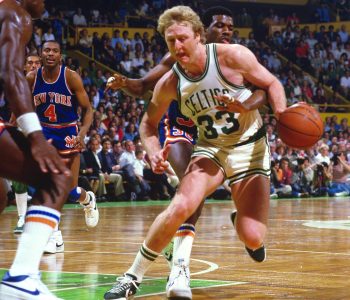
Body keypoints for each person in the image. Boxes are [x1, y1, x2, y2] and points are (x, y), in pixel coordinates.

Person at [104, 5, 286, 300]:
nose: (177, 46)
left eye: (182, 38)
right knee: (181, 205)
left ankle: (241, 218)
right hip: (210, 149)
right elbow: (148, 125)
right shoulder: (171, 81)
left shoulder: (233, 56)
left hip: (249, 147)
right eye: (170, 41)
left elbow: (271, 83)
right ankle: (131, 277)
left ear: (199, 36)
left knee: (253, 236)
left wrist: (282, 112)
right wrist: (152, 152)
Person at [0, 0, 71, 299]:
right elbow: (10, 73)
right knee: (57, 177)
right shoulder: (14, 12)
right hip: (46, 131)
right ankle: (21, 276)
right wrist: (36, 137)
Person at [26, 40, 97, 254]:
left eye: (54, 51)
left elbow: (88, 109)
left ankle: (87, 199)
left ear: (60, 56)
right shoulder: (32, 78)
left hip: (67, 133)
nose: (50, 54)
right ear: (41, 54)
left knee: (69, 191)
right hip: (45, 132)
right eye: (46, 50)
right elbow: (23, 107)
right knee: (46, 186)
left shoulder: (70, 77)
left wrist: (82, 133)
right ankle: (55, 237)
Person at [12, 54, 42, 234]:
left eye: (37, 63)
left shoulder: (49, 81)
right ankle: (22, 217)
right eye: (30, 63)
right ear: (24, 67)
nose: (33, 66)